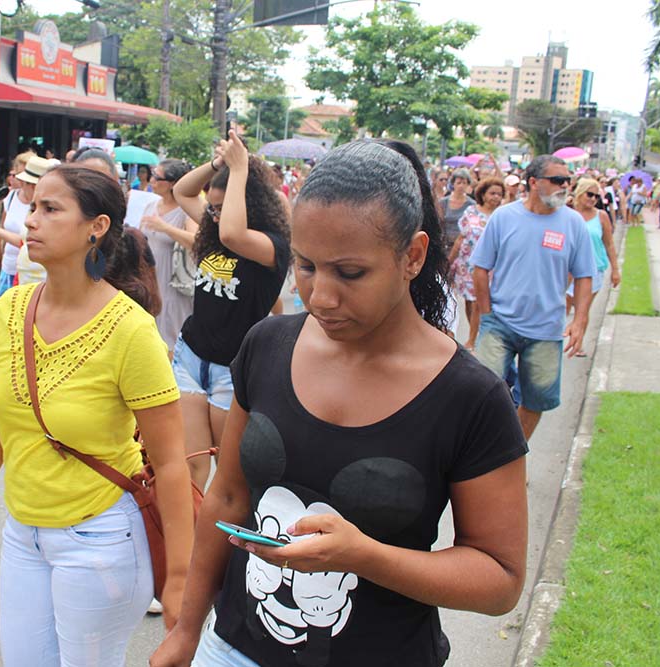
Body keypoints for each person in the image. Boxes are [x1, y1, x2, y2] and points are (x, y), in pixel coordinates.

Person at [150, 139, 529, 667]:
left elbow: (500, 579)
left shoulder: (470, 397)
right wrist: (189, 629)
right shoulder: (266, 345)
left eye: (350, 273)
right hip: (231, 648)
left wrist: (364, 556)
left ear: (412, 256)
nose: (321, 296)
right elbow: (229, 495)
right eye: (306, 266)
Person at [0, 164, 194, 666]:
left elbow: (172, 462)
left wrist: (178, 578)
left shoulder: (130, 330)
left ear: (96, 227)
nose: (31, 220)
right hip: (23, 534)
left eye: (50, 208)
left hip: (101, 539)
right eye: (32, 206)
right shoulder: (10, 309)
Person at [170, 131, 291, 490]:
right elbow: (182, 192)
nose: (214, 216)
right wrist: (218, 164)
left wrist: (240, 170)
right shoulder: (215, 228)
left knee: (228, 475)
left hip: (233, 370)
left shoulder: (272, 246)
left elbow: (233, 235)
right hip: (191, 357)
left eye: (221, 208)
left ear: (248, 201)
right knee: (192, 466)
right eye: (212, 208)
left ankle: (223, 530)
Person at [471, 155, 596, 441]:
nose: (565, 186)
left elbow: (584, 276)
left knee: (536, 400)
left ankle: (512, 453)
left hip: (546, 329)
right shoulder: (504, 217)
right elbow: (480, 268)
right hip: (499, 324)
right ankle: (483, 450)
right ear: (534, 182)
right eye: (558, 180)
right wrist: (487, 313)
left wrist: (579, 321)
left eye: (567, 180)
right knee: (480, 394)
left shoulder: (573, 223)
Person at [140, 159, 197, 350]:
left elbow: (196, 242)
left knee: (171, 338)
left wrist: (165, 228)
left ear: (172, 183)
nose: (152, 180)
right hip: (149, 280)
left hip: (173, 284)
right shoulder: (150, 205)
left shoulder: (186, 211)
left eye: (157, 177)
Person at [0, 155, 51, 296]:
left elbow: (23, 241)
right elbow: (4, 227)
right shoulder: (12, 196)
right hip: (11, 268)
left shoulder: (49, 211)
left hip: (36, 278)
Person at [449, 177, 503, 350]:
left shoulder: (502, 216)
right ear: (483, 194)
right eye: (492, 193)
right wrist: (449, 261)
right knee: (469, 302)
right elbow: (461, 238)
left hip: (489, 267)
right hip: (466, 264)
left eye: (499, 194)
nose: (496, 197)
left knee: (479, 302)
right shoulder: (471, 211)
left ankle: (472, 340)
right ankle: (475, 331)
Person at [565, 179, 621, 321]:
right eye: (589, 194)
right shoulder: (566, 213)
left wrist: (615, 270)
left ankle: (579, 335)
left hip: (593, 268)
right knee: (563, 306)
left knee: (582, 311)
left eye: (597, 196)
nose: (593, 199)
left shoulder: (601, 216)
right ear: (580, 193)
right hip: (567, 268)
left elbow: (609, 244)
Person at [438, 169, 474, 252]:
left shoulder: (471, 204)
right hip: (446, 244)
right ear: (453, 184)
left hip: (464, 245)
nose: (461, 186)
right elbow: (440, 223)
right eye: (458, 183)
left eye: (464, 183)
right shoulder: (443, 202)